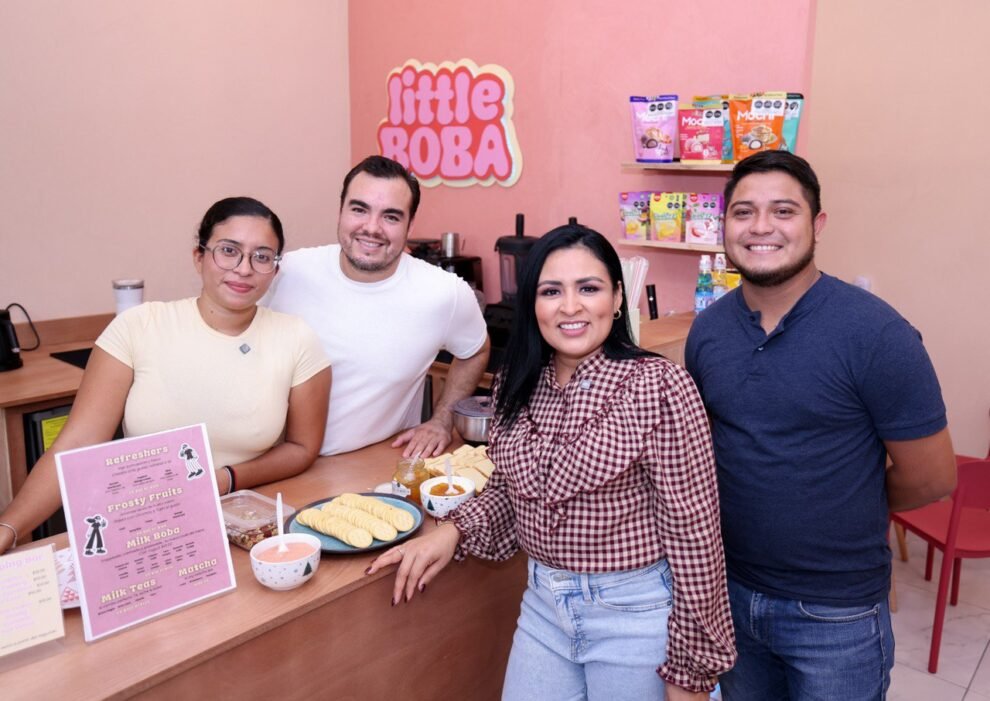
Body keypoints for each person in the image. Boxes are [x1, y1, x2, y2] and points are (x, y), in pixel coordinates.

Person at [368, 225, 736, 700]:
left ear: (618, 297)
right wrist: (452, 530)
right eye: (551, 291)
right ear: (532, 304)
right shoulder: (517, 384)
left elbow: (696, 534)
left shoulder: (658, 387)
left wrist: (691, 672)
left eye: (589, 288)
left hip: (637, 616)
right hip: (543, 608)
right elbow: (511, 486)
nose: (570, 306)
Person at [684, 151, 957, 700]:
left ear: (817, 224)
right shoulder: (709, 332)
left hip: (836, 612)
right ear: (723, 226)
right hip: (730, 592)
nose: (761, 227)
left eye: (783, 211)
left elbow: (931, 477)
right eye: (743, 212)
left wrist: (842, 503)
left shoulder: (877, 334)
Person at [0, 197, 331, 556]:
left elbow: (302, 448)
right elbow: (76, 445)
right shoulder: (138, 326)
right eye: (228, 250)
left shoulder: (296, 338)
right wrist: (9, 527)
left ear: (275, 269)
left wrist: (225, 479)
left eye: (262, 256)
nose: (244, 268)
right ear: (199, 256)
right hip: (144, 528)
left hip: (245, 525)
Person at [263, 155, 490, 458]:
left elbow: (476, 350)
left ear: (410, 225)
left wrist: (442, 421)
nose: (372, 228)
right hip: (275, 463)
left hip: (369, 463)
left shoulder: (444, 293)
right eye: (359, 209)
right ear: (340, 210)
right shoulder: (288, 272)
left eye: (391, 217)